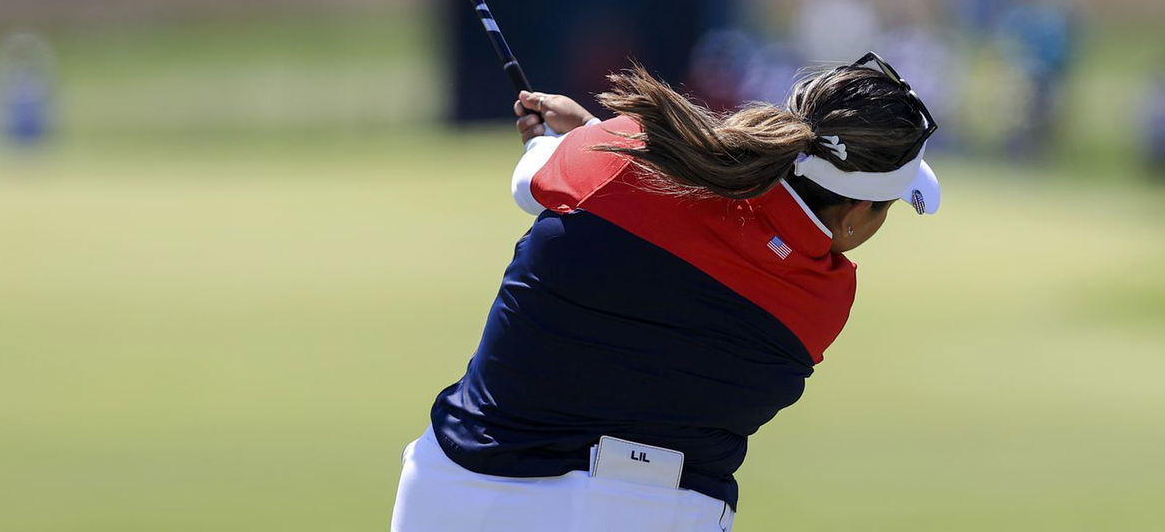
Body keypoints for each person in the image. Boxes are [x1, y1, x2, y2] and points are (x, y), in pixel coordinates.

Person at [390, 53, 941, 532]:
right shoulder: (824, 297)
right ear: (852, 213)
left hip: (466, 490)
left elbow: (532, 182)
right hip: (662, 509)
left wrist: (581, 138)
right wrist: (598, 139)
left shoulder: (618, 154)